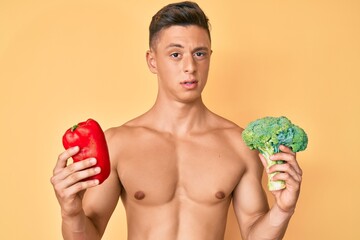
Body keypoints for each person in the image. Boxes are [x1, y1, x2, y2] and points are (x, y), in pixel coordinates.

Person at [51, 1, 302, 239]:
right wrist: (71, 212)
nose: (190, 66)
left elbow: (254, 234)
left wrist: (283, 209)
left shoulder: (239, 144)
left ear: (210, 57)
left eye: (200, 53)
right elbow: (89, 234)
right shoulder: (118, 143)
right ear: (152, 61)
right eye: (175, 54)